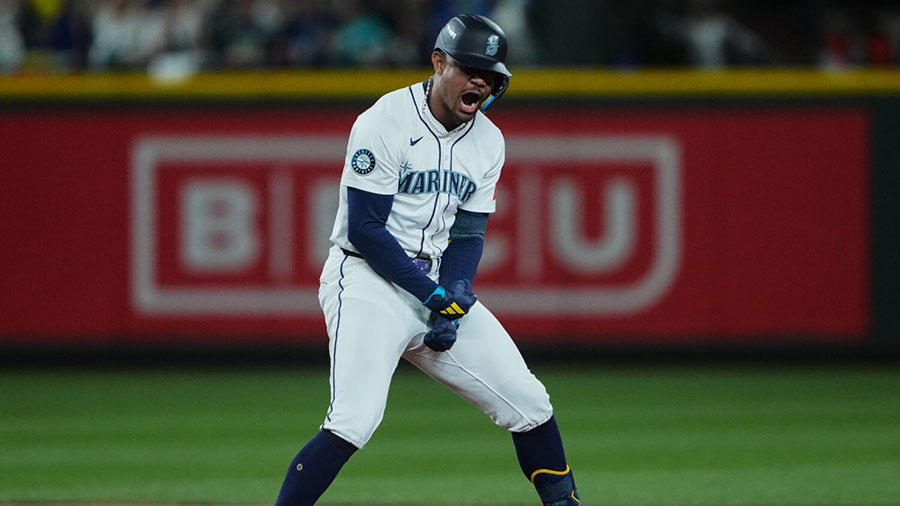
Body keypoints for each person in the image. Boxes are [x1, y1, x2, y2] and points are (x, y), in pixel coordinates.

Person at [273, 13, 581, 506]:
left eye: (492, 74)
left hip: (432, 277)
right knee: (353, 421)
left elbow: (467, 232)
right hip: (367, 279)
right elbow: (367, 230)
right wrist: (432, 295)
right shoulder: (384, 121)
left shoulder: (489, 140)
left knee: (529, 404)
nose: (481, 80)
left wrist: (455, 292)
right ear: (439, 62)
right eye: (470, 68)